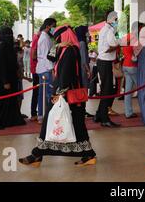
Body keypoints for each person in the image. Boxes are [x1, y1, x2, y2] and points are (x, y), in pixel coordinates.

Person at [18, 25, 97, 167]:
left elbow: (66, 75)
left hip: (66, 94)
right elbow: (50, 56)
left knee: (56, 122)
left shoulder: (69, 51)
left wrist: (58, 94)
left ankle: (37, 154)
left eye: (59, 38)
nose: (57, 40)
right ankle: (87, 154)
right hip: (68, 94)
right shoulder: (64, 50)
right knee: (76, 125)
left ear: (65, 36)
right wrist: (58, 45)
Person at [94, 11, 121, 127]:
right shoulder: (109, 30)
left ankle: (99, 114)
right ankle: (104, 118)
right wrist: (119, 42)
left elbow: (111, 46)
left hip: (104, 61)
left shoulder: (105, 29)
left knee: (107, 88)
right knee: (107, 90)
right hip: (104, 62)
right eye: (116, 19)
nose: (117, 21)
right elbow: (113, 44)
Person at [121, 22, 143, 119]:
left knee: (128, 91)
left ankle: (128, 112)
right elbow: (137, 53)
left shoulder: (126, 37)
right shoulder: (135, 39)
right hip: (133, 66)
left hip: (125, 65)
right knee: (142, 89)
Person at [36, 18, 57, 119]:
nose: (54, 28)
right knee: (47, 93)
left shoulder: (46, 37)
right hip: (45, 68)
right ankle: (46, 115)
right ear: (48, 26)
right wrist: (51, 69)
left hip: (44, 67)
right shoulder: (44, 38)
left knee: (43, 93)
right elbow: (46, 56)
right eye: (53, 26)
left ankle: (42, 114)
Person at [30, 32, 41, 122]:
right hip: (37, 69)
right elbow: (34, 55)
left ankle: (36, 112)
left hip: (38, 69)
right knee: (37, 91)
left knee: (38, 92)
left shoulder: (37, 38)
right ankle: (34, 113)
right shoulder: (37, 38)